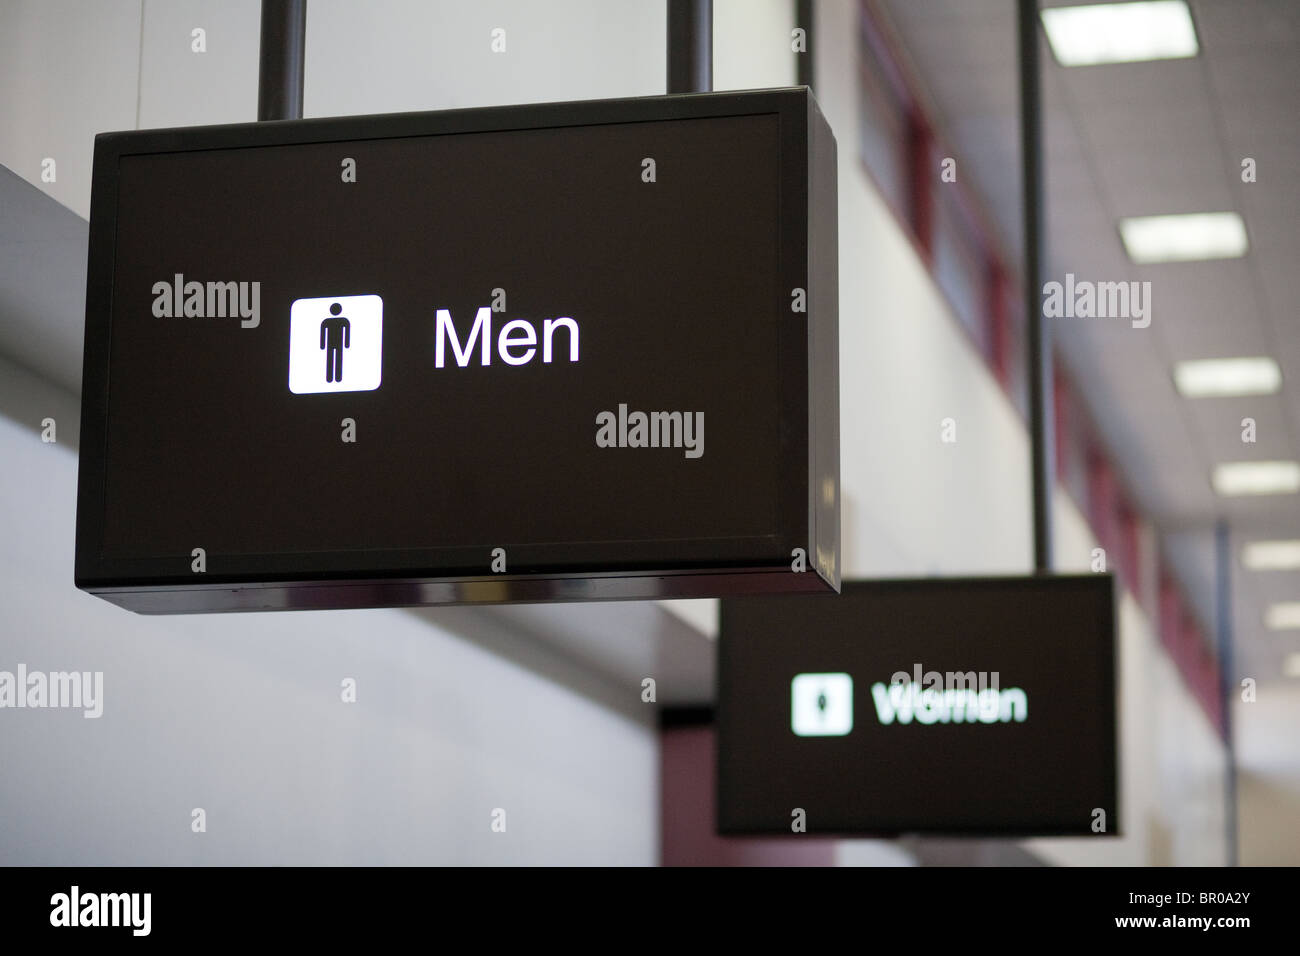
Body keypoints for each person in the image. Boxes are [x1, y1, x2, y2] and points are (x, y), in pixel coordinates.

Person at [319, 302, 351, 383]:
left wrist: (347, 343)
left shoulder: (344, 321)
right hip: (331, 343)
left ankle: (338, 378)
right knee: (330, 358)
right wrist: (322, 344)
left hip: (338, 343)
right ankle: (329, 378)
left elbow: (347, 331)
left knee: (338, 359)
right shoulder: (326, 321)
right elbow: (323, 332)